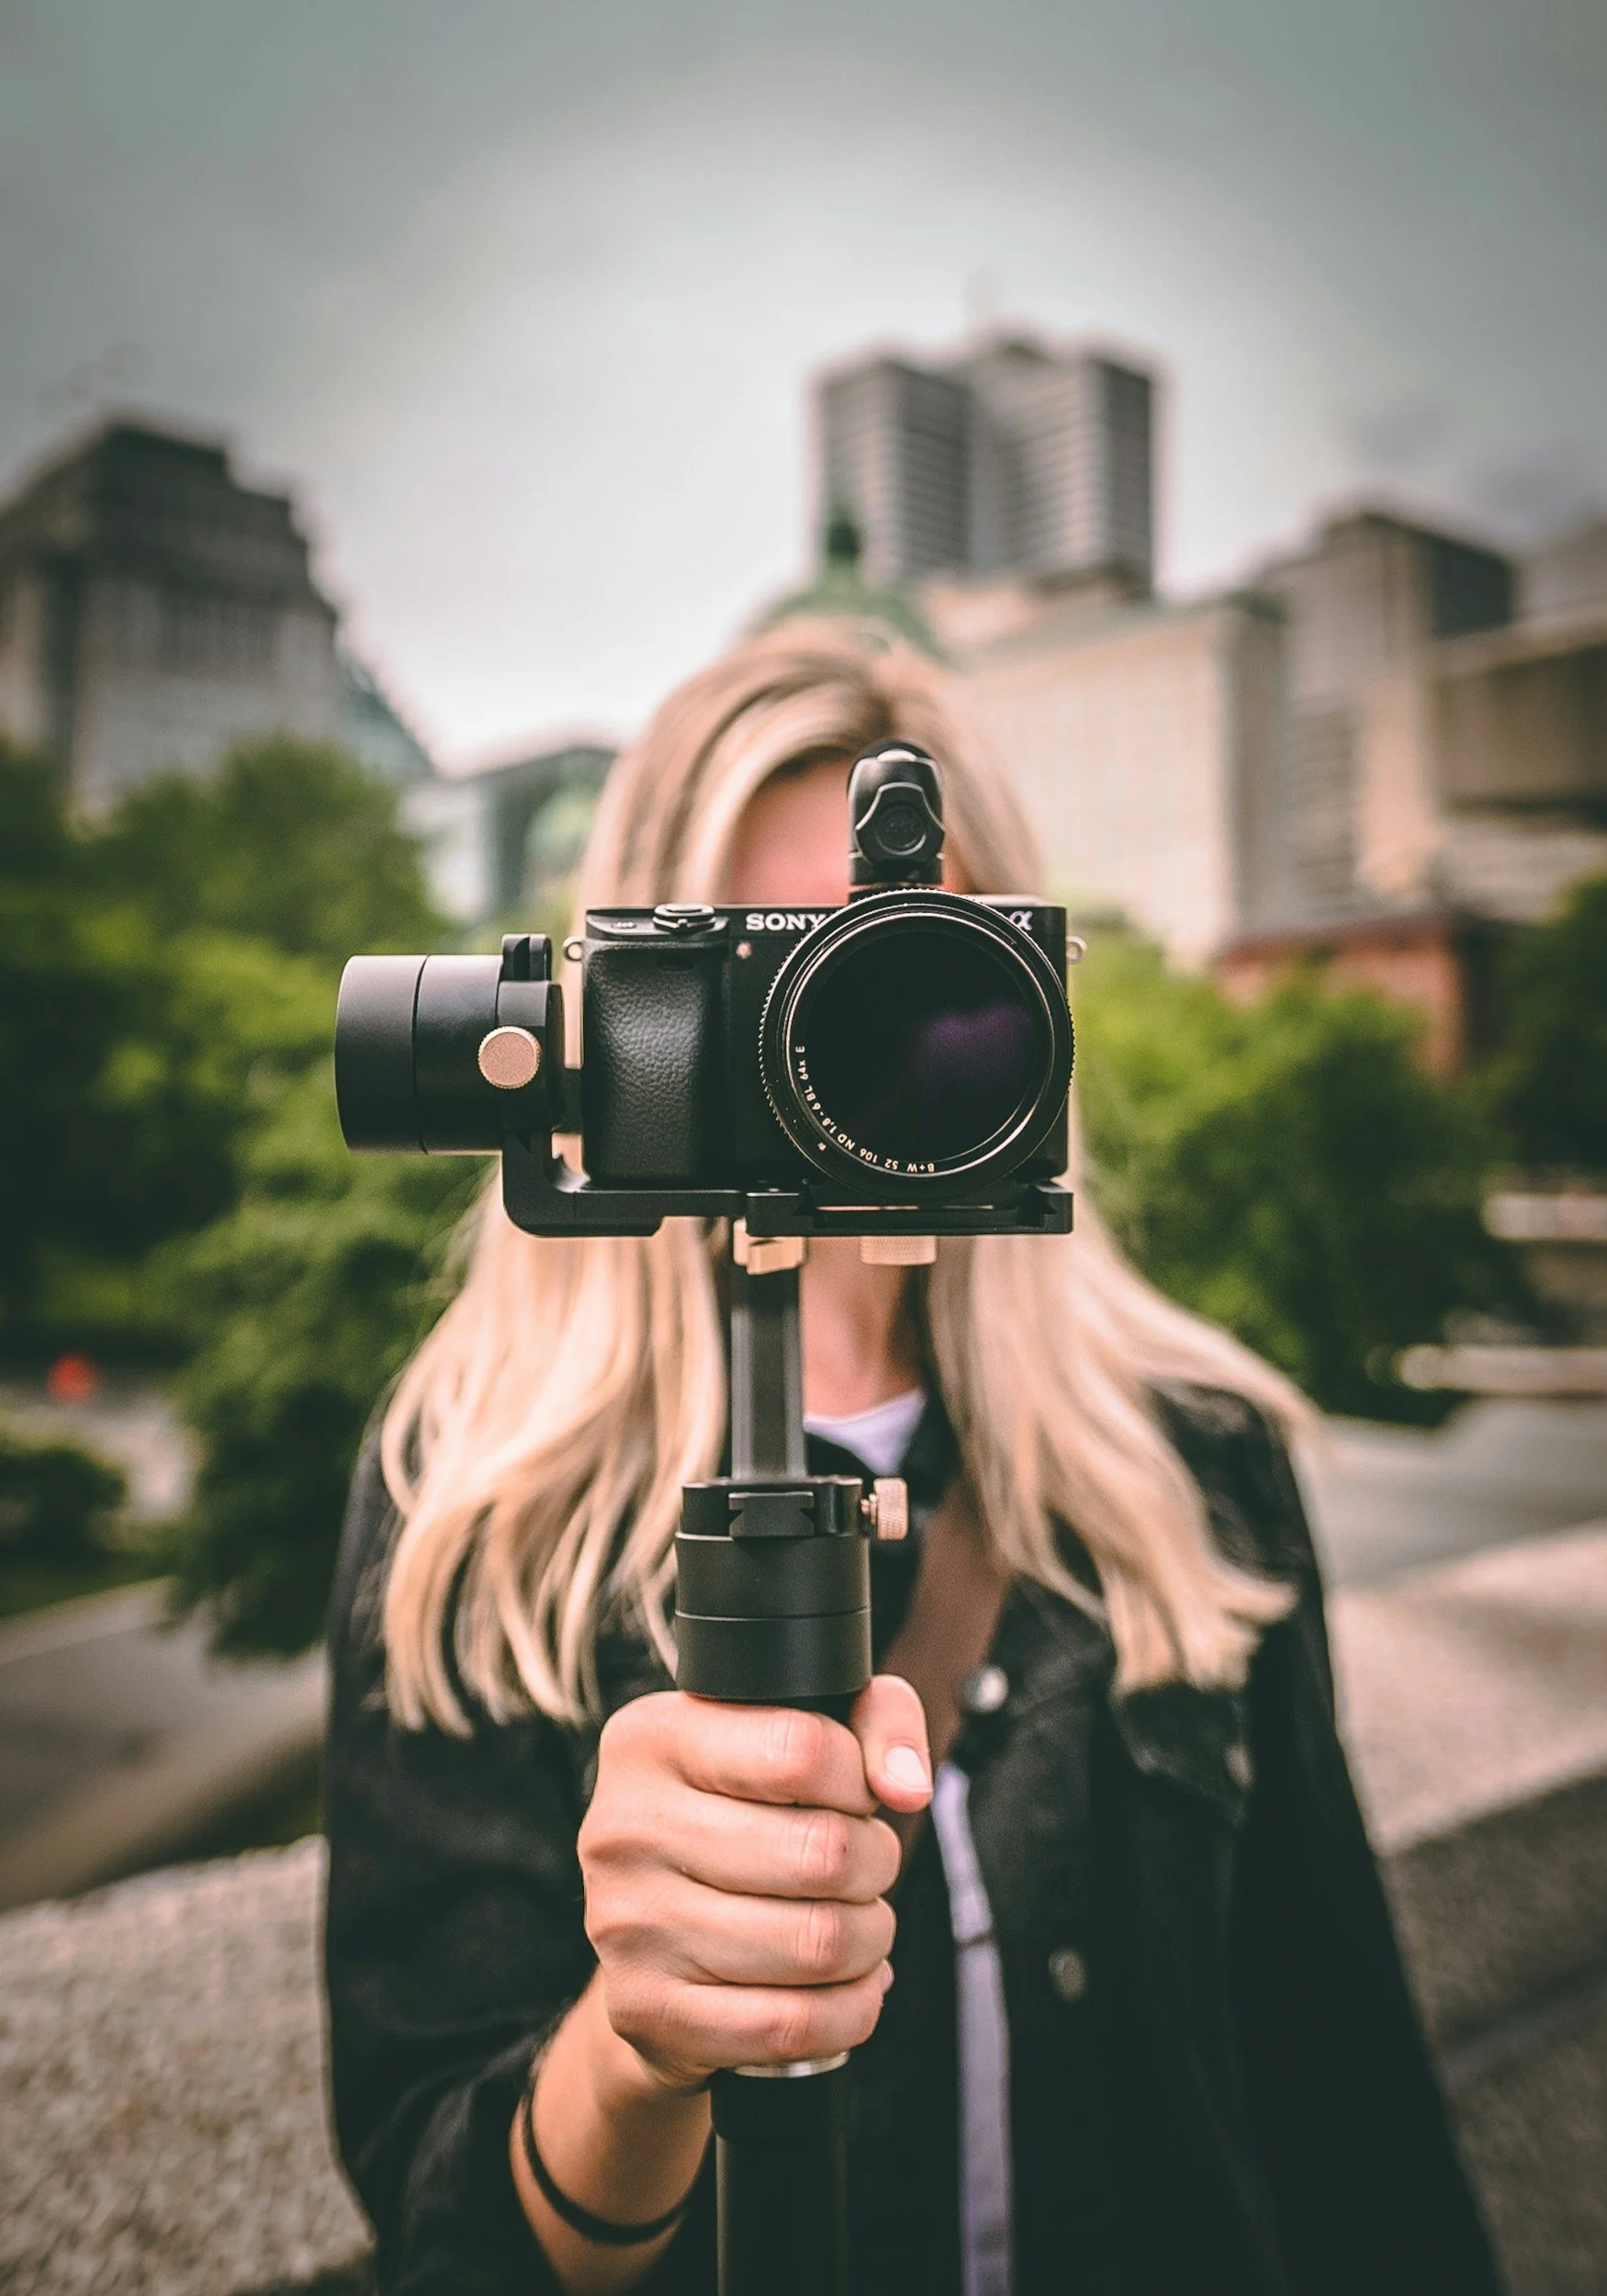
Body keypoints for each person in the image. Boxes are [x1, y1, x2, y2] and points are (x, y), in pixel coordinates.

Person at [324, 621, 1501, 2296]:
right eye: (770, 967)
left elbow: (1344, 2097)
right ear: (620, 1009)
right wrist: (640, 2046)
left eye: (906, 959)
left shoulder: (1192, 1461)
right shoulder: (469, 1498)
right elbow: (444, 2235)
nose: (842, 1035)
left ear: (1024, 998)